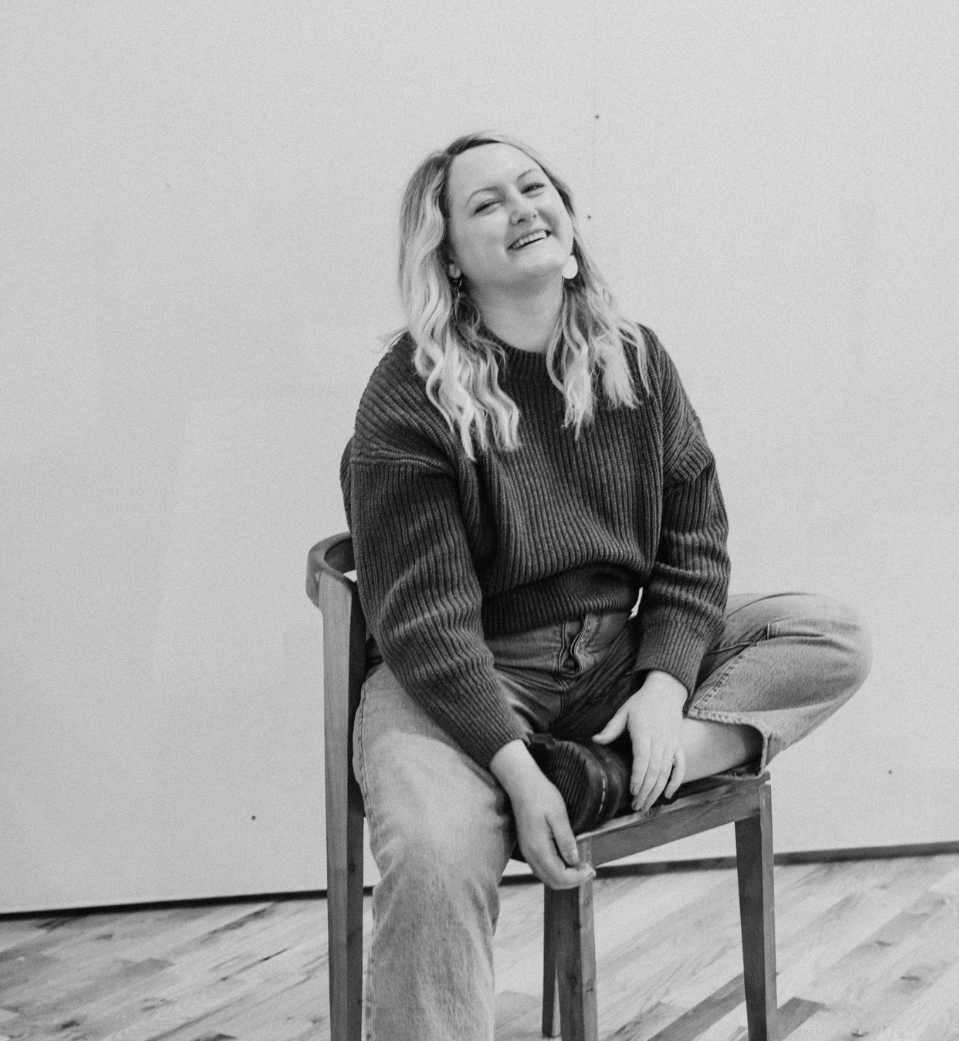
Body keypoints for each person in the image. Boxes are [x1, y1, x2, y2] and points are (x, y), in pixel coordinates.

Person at [340, 131, 871, 1040]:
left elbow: (695, 544)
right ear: (452, 261)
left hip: (609, 662)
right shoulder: (409, 395)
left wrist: (665, 687)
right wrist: (513, 765)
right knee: (432, 858)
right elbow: (426, 624)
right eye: (487, 203)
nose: (522, 209)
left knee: (829, 636)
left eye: (533, 187)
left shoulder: (634, 359)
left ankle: (608, 774)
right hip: (459, 680)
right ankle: (585, 776)